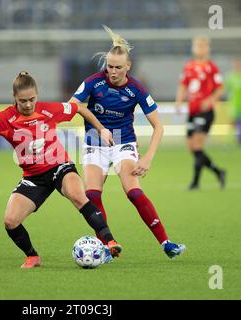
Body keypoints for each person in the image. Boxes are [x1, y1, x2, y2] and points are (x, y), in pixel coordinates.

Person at [0, 71, 121, 268]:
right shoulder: (4, 118)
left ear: (37, 95)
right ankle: (32, 256)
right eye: (23, 101)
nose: (28, 104)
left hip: (59, 166)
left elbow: (79, 108)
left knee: (78, 196)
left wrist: (101, 129)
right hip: (33, 177)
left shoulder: (49, 110)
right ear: (15, 98)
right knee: (10, 221)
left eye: (32, 99)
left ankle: (110, 241)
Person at [69, 25, 185, 259]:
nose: (112, 71)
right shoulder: (93, 82)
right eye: (109, 66)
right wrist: (100, 127)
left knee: (133, 192)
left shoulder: (136, 89)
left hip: (124, 143)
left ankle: (166, 243)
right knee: (92, 194)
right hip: (95, 142)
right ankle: (108, 244)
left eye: (118, 67)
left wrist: (147, 159)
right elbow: (74, 105)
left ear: (128, 67)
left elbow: (158, 127)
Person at [175, 36, 226, 190]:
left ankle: (195, 183)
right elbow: (183, 85)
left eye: (203, 45)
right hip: (192, 111)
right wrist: (178, 101)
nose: (200, 48)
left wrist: (210, 100)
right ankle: (218, 171)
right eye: (198, 45)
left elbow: (220, 88)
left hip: (205, 112)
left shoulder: (211, 67)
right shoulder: (188, 66)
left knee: (197, 145)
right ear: (193, 48)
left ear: (208, 48)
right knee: (191, 147)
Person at [225, 57, 241, 145]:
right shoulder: (230, 77)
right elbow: (225, 89)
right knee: (234, 122)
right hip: (234, 104)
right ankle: (235, 138)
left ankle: (239, 138)